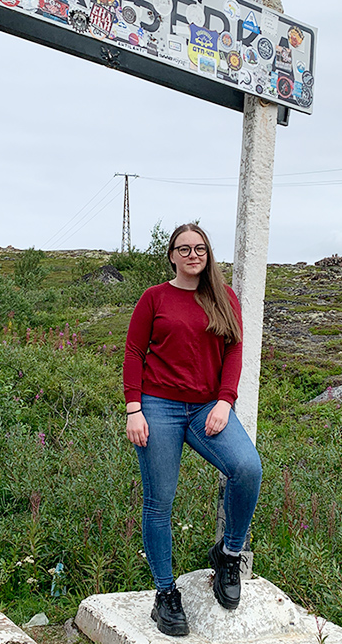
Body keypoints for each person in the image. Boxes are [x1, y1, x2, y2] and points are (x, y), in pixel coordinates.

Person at [124, 223, 262, 637]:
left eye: (199, 248)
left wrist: (225, 400)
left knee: (247, 469)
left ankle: (229, 553)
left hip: (207, 408)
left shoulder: (222, 297)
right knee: (159, 503)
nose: (192, 255)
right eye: (183, 249)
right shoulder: (154, 298)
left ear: (208, 253)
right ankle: (165, 594)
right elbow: (134, 351)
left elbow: (234, 349)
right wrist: (134, 408)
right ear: (171, 255)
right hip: (158, 407)